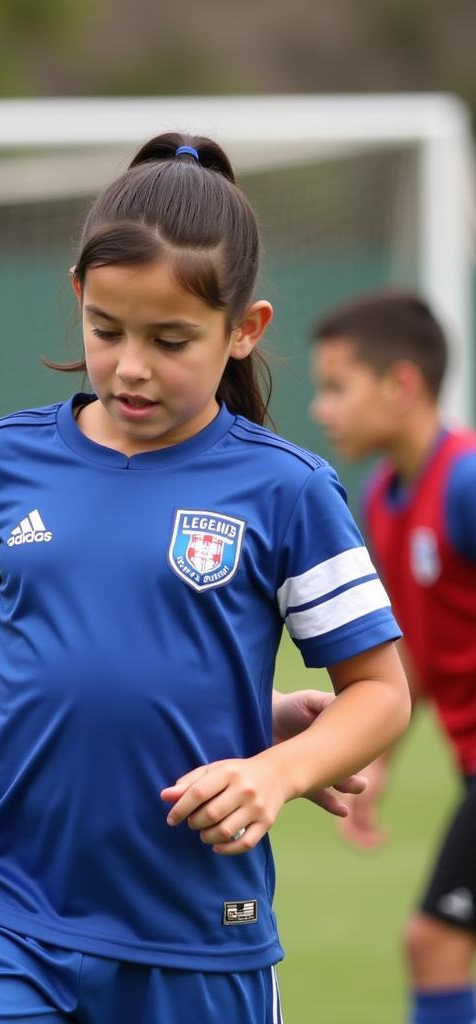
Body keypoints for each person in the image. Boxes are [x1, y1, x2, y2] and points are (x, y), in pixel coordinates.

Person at [0, 133, 412, 1023]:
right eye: (107, 330)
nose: (130, 365)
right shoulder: (7, 457)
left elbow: (378, 694)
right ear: (77, 296)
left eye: (170, 338)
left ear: (243, 330)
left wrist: (279, 774)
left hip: (190, 929)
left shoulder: (288, 490)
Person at [311, 292, 476, 1024]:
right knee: (434, 943)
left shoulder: (466, 484)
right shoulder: (383, 496)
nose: (322, 408)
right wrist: (378, 760)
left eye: (337, 387)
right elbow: (412, 652)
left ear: (402, 385)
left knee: (433, 941)